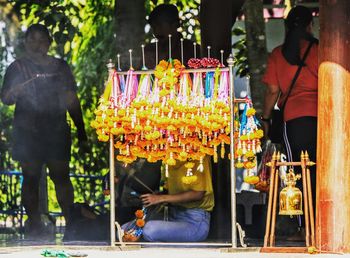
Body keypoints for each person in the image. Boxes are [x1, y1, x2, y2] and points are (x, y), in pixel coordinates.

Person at [1, 24, 88, 237]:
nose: (36, 44)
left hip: (56, 130)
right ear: (25, 43)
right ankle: (35, 224)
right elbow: (6, 98)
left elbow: (71, 99)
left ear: (49, 43)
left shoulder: (60, 67)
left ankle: (71, 224)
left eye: (41, 40)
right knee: (30, 177)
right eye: (32, 39)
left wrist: (81, 130)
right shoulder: (17, 68)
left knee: (61, 177)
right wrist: (15, 91)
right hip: (27, 133)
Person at [261, 5, 318, 233]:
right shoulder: (323, 50)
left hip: (293, 119)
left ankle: (305, 227)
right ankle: (326, 220)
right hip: (325, 118)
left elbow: (273, 91)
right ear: (309, 25)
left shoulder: (278, 54)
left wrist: (266, 118)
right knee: (322, 168)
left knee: (298, 170)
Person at [123, 156, 214, 242]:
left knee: (149, 229)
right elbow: (169, 191)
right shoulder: (170, 160)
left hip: (195, 221)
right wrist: (157, 196)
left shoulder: (199, 157)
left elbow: (198, 194)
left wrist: (160, 198)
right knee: (125, 229)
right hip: (173, 214)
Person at [142, 4, 200, 69]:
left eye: (160, 26)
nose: (156, 31)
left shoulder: (192, 50)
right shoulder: (149, 51)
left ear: (175, 24)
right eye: (154, 27)